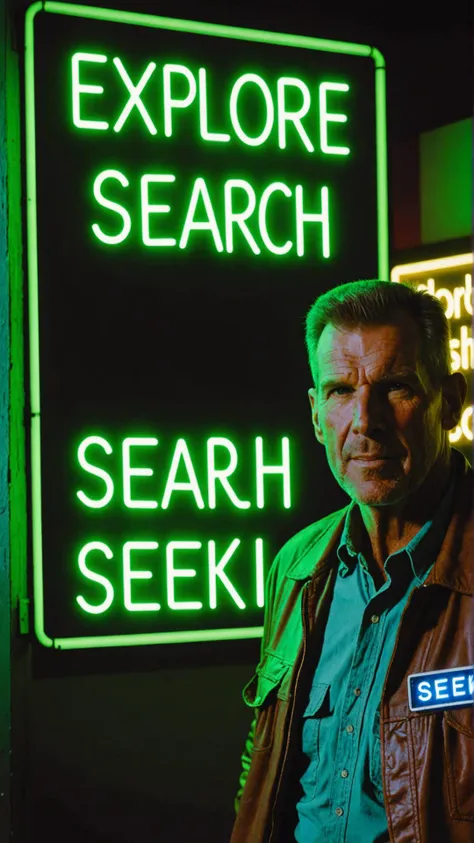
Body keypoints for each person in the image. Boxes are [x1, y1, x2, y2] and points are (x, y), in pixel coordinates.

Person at [230, 279, 473, 843]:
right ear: (316, 416)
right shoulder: (297, 567)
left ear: (451, 403)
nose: (366, 421)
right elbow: (263, 768)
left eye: (395, 387)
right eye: (341, 391)